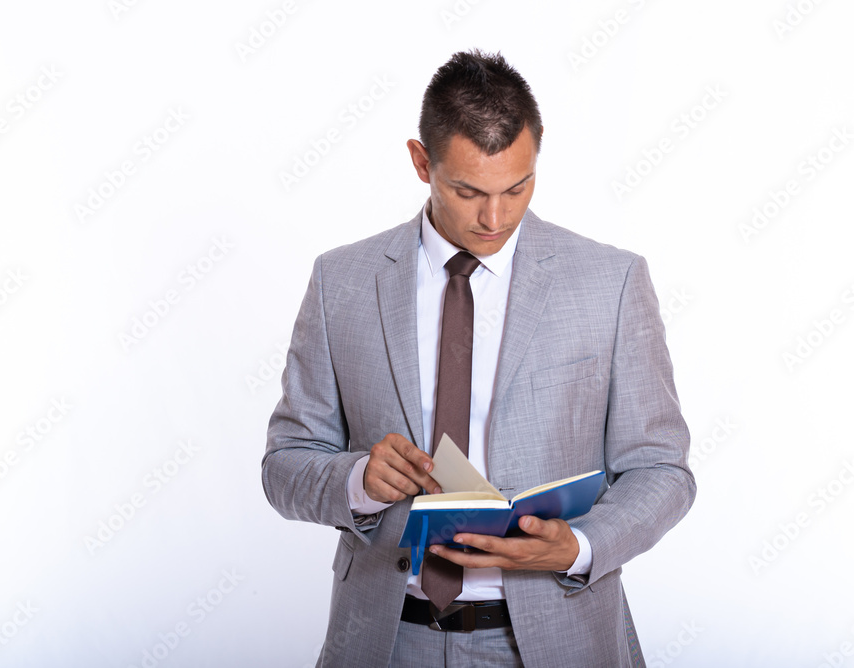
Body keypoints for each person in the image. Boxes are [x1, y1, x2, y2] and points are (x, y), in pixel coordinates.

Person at [262, 49, 695, 668]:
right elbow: (285, 467)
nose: (495, 217)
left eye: (517, 188)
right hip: (386, 641)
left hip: (557, 637)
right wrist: (358, 480)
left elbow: (662, 470)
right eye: (467, 191)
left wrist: (578, 547)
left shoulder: (612, 282)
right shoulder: (342, 282)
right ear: (421, 162)